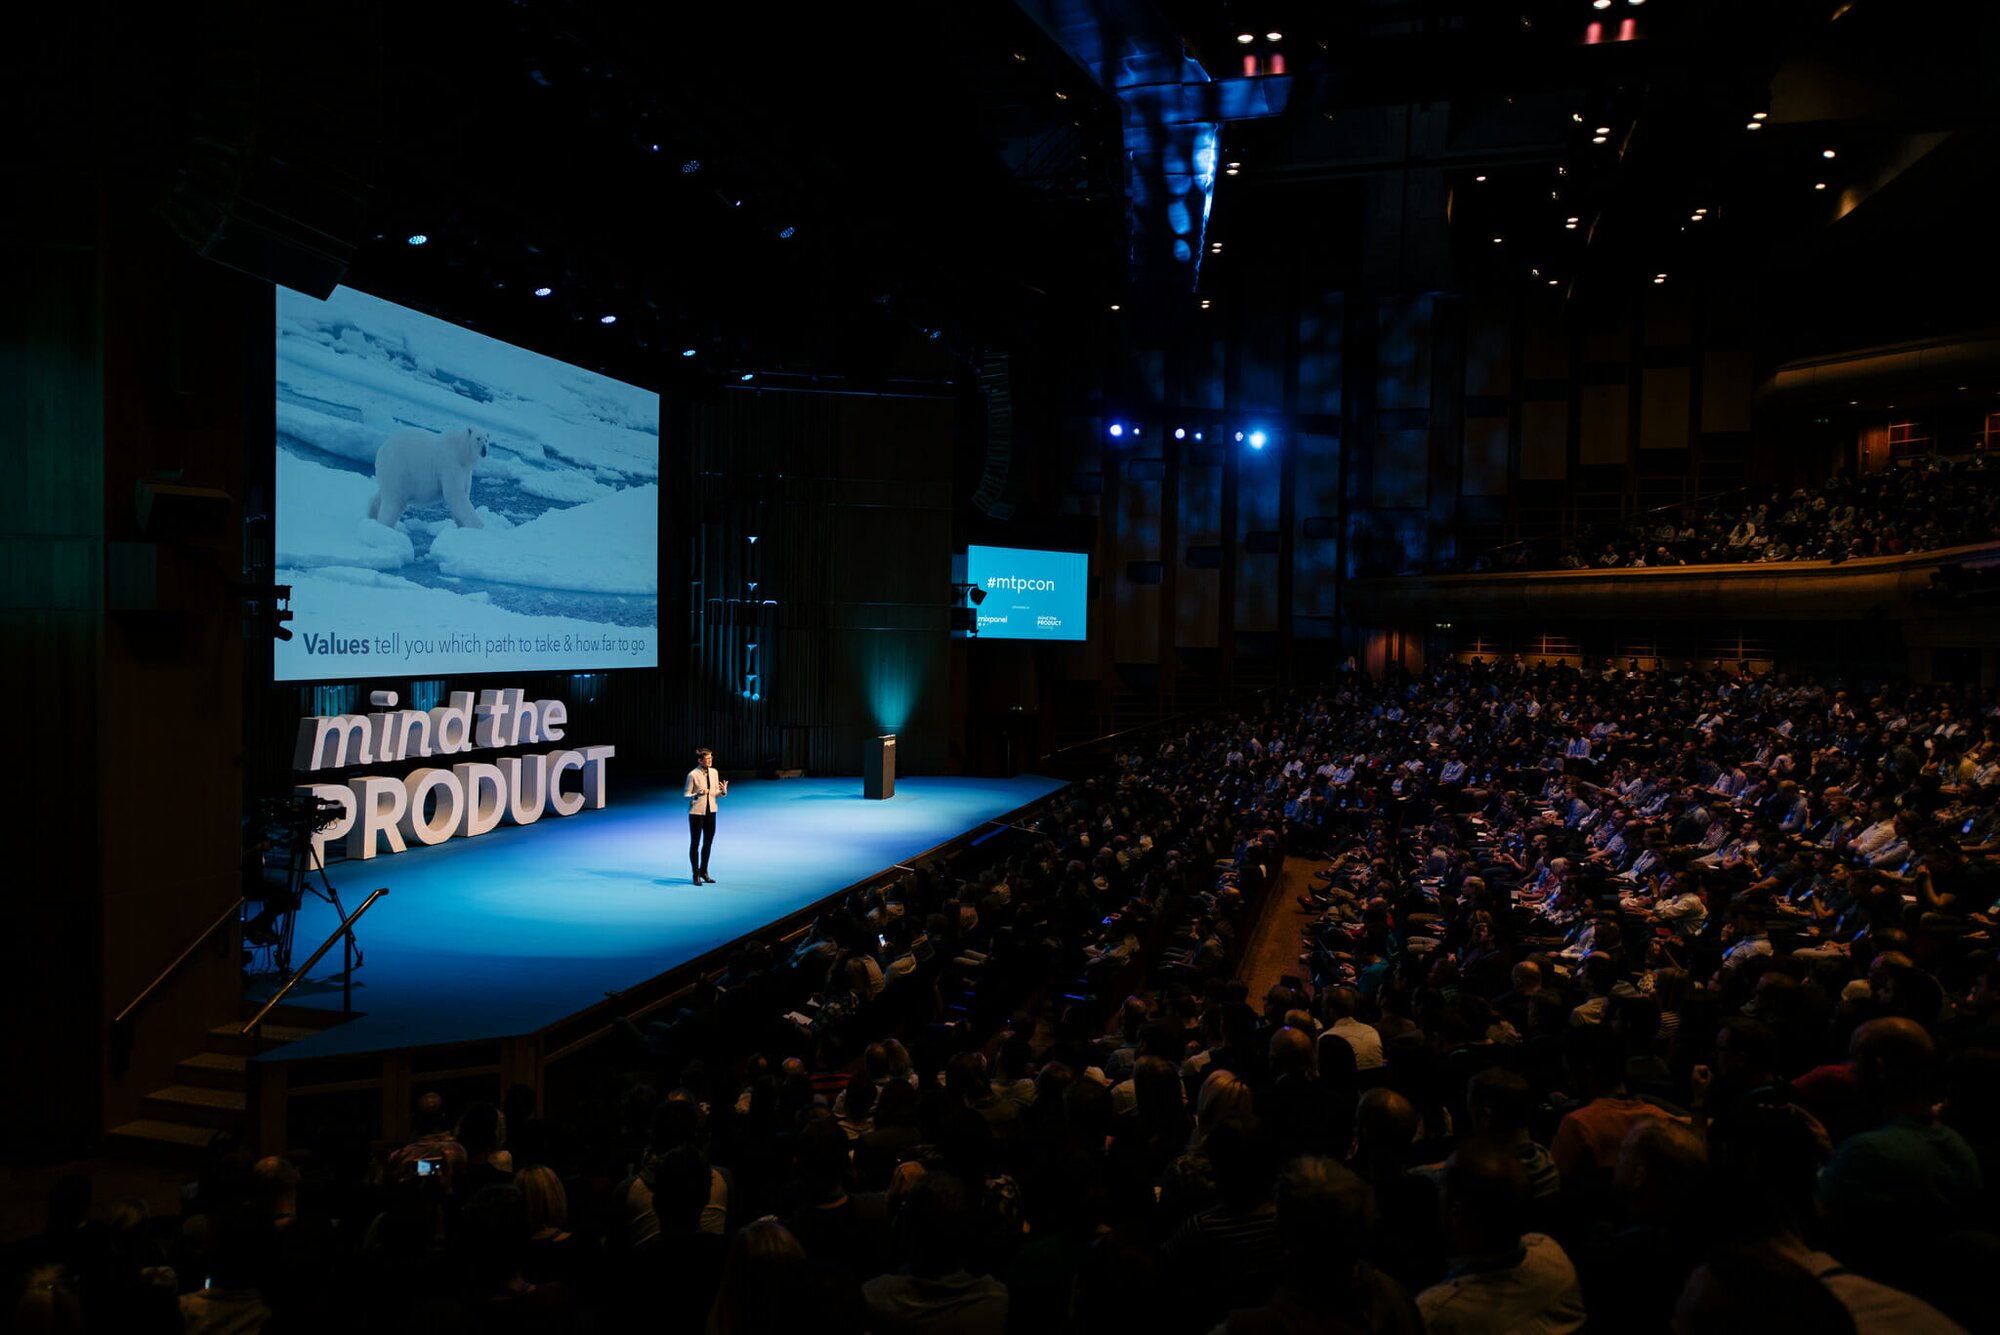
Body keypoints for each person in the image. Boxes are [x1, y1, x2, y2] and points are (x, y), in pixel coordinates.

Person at [685, 746, 727, 884]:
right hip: (697, 813)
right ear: (700, 760)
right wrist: (697, 794)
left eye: (711, 758)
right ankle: (695, 874)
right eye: (707, 758)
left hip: (711, 812)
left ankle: (704, 871)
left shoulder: (714, 772)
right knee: (695, 844)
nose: (710, 760)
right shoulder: (692, 775)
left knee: (708, 843)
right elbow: (686, 795)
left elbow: (715, 794)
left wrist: (723, 792)